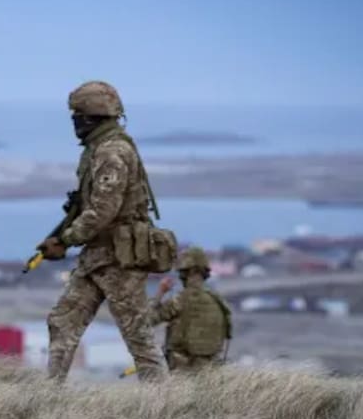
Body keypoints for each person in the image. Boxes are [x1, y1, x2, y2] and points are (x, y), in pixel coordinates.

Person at [39, 80, 170, 382]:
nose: (73, 124)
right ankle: (47, 396)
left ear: (89, 118)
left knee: (138, 337)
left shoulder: (111, 151)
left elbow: (103, 210)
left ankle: (165, 404)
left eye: (76, 117)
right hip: (98, 256)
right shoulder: (100, 148)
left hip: (118, 259)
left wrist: (65, 239)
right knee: (63, 322)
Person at [150, 246, 233, 371]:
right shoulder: (218, 301)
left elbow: (149, 320)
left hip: (183, 370)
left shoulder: (181, 300)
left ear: (184, 273)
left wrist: (160, 293)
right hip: (211, 369)